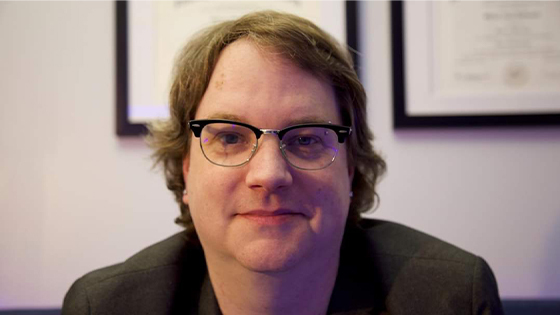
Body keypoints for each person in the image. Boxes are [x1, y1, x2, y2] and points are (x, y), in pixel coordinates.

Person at [62, 11, 503, 315]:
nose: (270, 174)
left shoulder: (449, 296)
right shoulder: (106, 305)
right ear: (186, 169)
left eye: (307, 139)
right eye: (231, 137)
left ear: (350, 168)